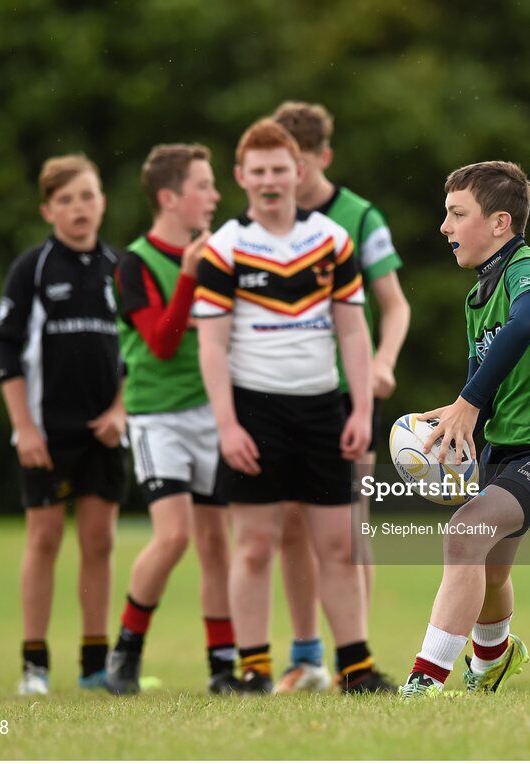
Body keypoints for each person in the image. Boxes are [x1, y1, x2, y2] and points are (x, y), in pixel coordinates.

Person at [194, 118, 392, 694]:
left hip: (322, 409)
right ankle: (253, 670)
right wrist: (227, 425)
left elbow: (354, 334)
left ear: (298, 172)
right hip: (254, 413)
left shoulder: (332, 239)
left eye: (279, 169)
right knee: (255, 544)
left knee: (337, 543)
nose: (270, 181)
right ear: (241, 178)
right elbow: (211, 346)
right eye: (258, 172)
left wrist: (358, 411)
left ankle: (355, 667)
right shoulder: (225, 247)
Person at [398, 161, 530, 698]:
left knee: (464, 536)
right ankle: (493, 661)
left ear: (500, 223)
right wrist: (453, 428)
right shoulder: (477, 297)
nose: (444, 227)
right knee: (487, 568)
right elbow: (480, 380)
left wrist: (470, 401)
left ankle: (425, 680)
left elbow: (525, 325)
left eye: (457, 214)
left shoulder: (527, 271)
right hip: (507, 445)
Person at [271, 101, 410, 693]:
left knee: (347, 529)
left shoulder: (359, 217)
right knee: (288, 530)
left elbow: (395, 306)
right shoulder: (261, 222)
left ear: (322, 157)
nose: (286, 177)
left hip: (347, 398)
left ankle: (354, 654)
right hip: (280, 397)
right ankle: (306, 657)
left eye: (296, 164)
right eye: (277, 165)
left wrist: (382, 361)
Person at [104, 144, 238, 695]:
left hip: (212, 411)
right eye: (203, 186)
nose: (214, 196)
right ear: (169, 197)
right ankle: (125, 652)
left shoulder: (222, 254)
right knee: (174, 537)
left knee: (215, 543)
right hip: (158, 418)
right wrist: (188, 276)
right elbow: (160, 343)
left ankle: (224, 668)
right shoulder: (134, 263)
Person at [0, 154, 126, 695]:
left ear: (103, 202)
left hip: (105, 431)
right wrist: (24, 427)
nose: (79, 209)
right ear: (48, 209)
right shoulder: (33, 269)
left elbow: (139, 351)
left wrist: (121, 411)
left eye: (87, 196)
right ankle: (35, 668)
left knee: (99, 541)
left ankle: (96, 667)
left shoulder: (121, 269)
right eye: (67, 200)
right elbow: (6, 352)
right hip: (46, 433)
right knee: (44, 538)